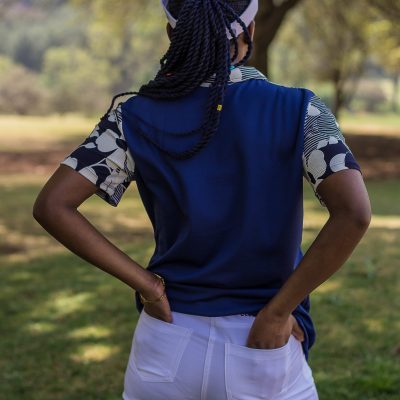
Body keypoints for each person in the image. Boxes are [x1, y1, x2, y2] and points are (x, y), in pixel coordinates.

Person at [32, 0, 372, 399]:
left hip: (167, 336)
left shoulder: (132, 115)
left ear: (171, 35)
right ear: (251, 31)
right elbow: (354, 213)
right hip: (262, 338)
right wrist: (280, 311)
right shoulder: (301, 109)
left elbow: (53, 205)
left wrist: (148, 286)